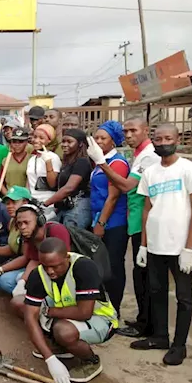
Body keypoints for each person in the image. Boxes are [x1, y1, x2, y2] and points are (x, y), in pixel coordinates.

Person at [131, 124, 192, 366]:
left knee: (184, 298)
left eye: (168, 138)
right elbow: (147, 208)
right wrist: (143, 245)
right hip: (154, 245)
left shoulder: (188, 169)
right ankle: (160, 336)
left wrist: (189, 248)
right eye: (158, 139)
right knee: (156, 292)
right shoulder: (150, 172)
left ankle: (179, 345)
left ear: (177, 139)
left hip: (179, 246)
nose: (163, 142)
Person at [86, 117, 160, 338]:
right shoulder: (137, 155)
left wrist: (101, 223)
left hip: (124, 222)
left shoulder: (127, 160)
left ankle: (142, 324)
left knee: (121, 270)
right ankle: (142, 321)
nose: (129, 135)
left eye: (133, 130)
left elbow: (121, 190)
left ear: (146, 130)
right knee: (138, 274)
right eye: (126, 131)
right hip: (133, 221)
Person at [22, 238, 118, 383]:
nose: (50, 271)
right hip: (67, 313)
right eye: (45, 266)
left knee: (63, 331)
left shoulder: (84, 267)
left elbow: (85, 313)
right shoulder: (38, 274)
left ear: (66, 257)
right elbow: (30, 317)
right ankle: (62, 348)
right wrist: (50, 359)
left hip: (101, 319)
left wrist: (51, 311)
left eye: (54, 266)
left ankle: (91, 361)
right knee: (21, 305)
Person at [89, 121, 129, 314]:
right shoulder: (99, 162)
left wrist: (101, 223)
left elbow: (113, 197)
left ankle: (115, 309)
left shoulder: (117, 163)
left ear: (113, 141)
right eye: (96, 138)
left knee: (113, 267)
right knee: (101, 265)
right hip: (98, 218)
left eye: (103, 138)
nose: (98, 141)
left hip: (113, 222)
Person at [7, 204, 72, 311]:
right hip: (47, 273)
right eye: (19, 223)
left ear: (40, 221)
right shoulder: (31, 236)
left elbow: (63, 263)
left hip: (64, 276)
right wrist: (22, 281)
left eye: (26, 222)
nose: (22, 227)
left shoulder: (56, 230)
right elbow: (33, 260)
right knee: (15, 280)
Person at [42, 129, 91, 229]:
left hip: (78, 208)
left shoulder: (82, 162)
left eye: (69, 141)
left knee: (71, 240)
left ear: (81, 144)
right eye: (63, 141)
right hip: (65, 207)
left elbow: (69, 188)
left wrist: (45, 203)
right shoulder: (67, 163)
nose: (64, 144)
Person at [27, 124, 61, 221]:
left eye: (41, 138)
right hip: (33, 203)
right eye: (35, 137)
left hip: (48, 205)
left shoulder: (53, 157)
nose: (36, 140)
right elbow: (29, 182)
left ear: (49, 140)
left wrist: (48, 162)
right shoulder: (32, 159)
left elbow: (52, 184)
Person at [2, 127, 31, 193]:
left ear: (26, 142)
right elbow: (1, 183)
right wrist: (8, 196)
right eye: (14, 142)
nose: (17, 145)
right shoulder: (5, 161)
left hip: (27, 197)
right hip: (10, 197)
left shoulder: (31, 159)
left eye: (20, 142)